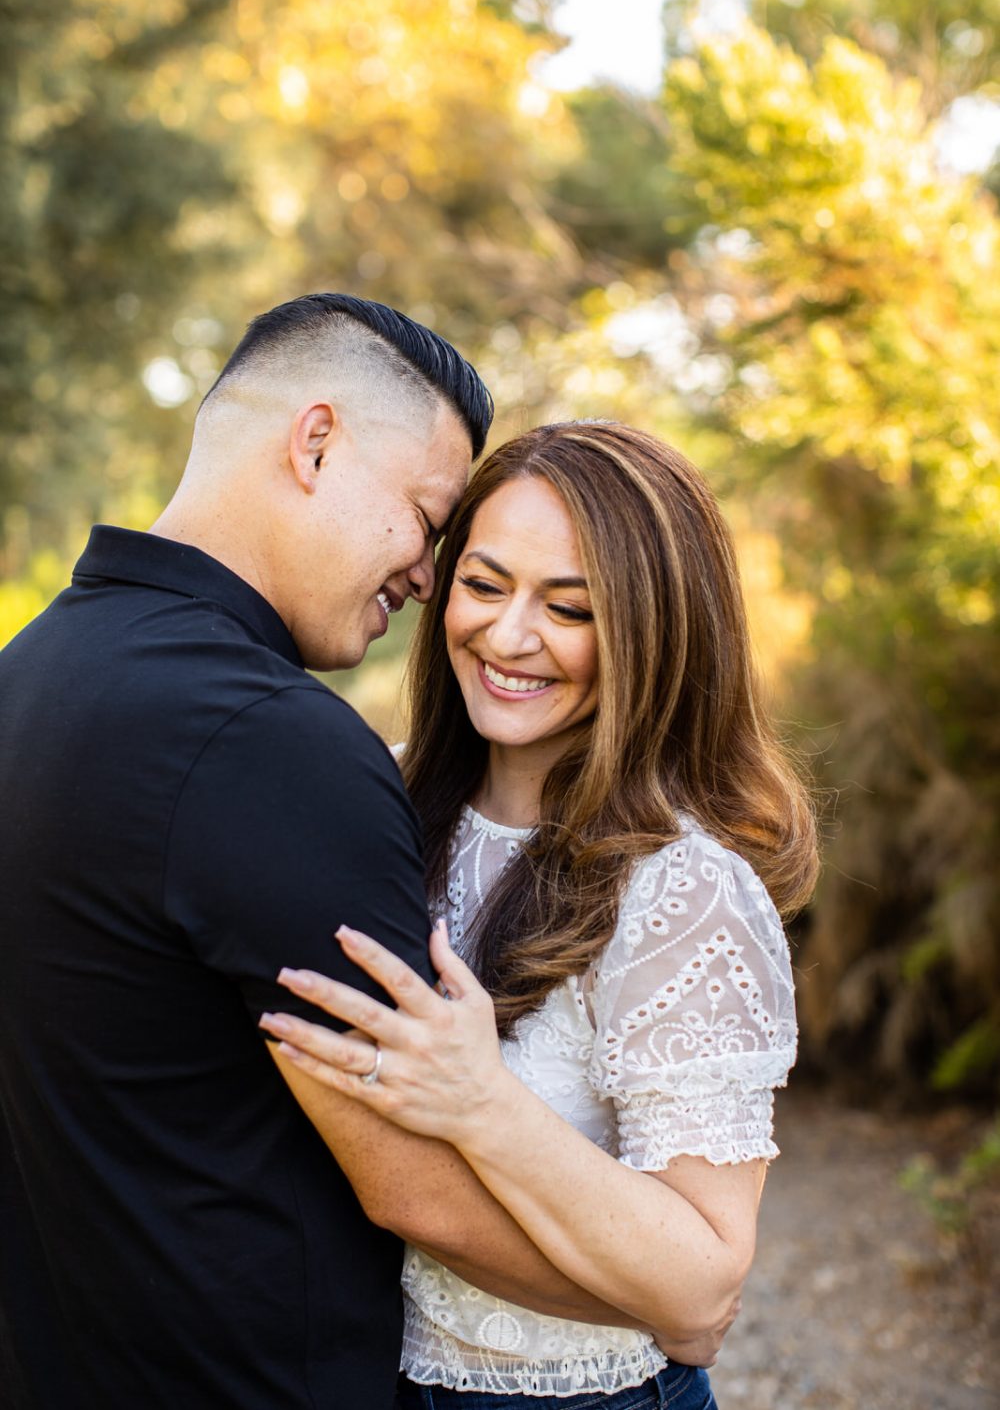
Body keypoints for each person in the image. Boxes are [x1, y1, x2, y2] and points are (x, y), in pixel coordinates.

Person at [1, 294, 628, 1410]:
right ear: (317, 441)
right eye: (426, 519)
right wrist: (657, 1310)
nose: (429, 577)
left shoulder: (28, 672)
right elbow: (415, 1191)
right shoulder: (272, 742)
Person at [260, 421, 820, 1409]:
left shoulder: (686, 891)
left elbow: (701, 1280)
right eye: (483, 586)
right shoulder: (373, 801)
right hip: (355, 1375)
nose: (509, 636)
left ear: (654, 631)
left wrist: (483, 1103)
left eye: (569, 608)